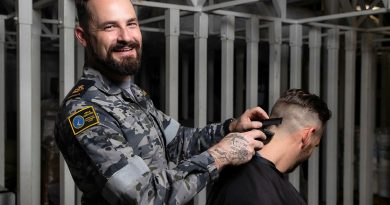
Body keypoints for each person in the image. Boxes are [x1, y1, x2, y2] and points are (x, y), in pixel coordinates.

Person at [54, 0, 269, 204]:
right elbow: (144, 196)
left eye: (131, 24)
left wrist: (231, 127)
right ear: (83, 36)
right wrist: (220, 156)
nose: (126, 37)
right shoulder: (84, 110)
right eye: (110, 27)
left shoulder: (132, 94)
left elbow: (178, 142)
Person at [206, 89, 332, 205]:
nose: (311, 152)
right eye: (315, 145)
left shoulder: (229, 170)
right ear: (307, 135)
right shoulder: (271, 195)